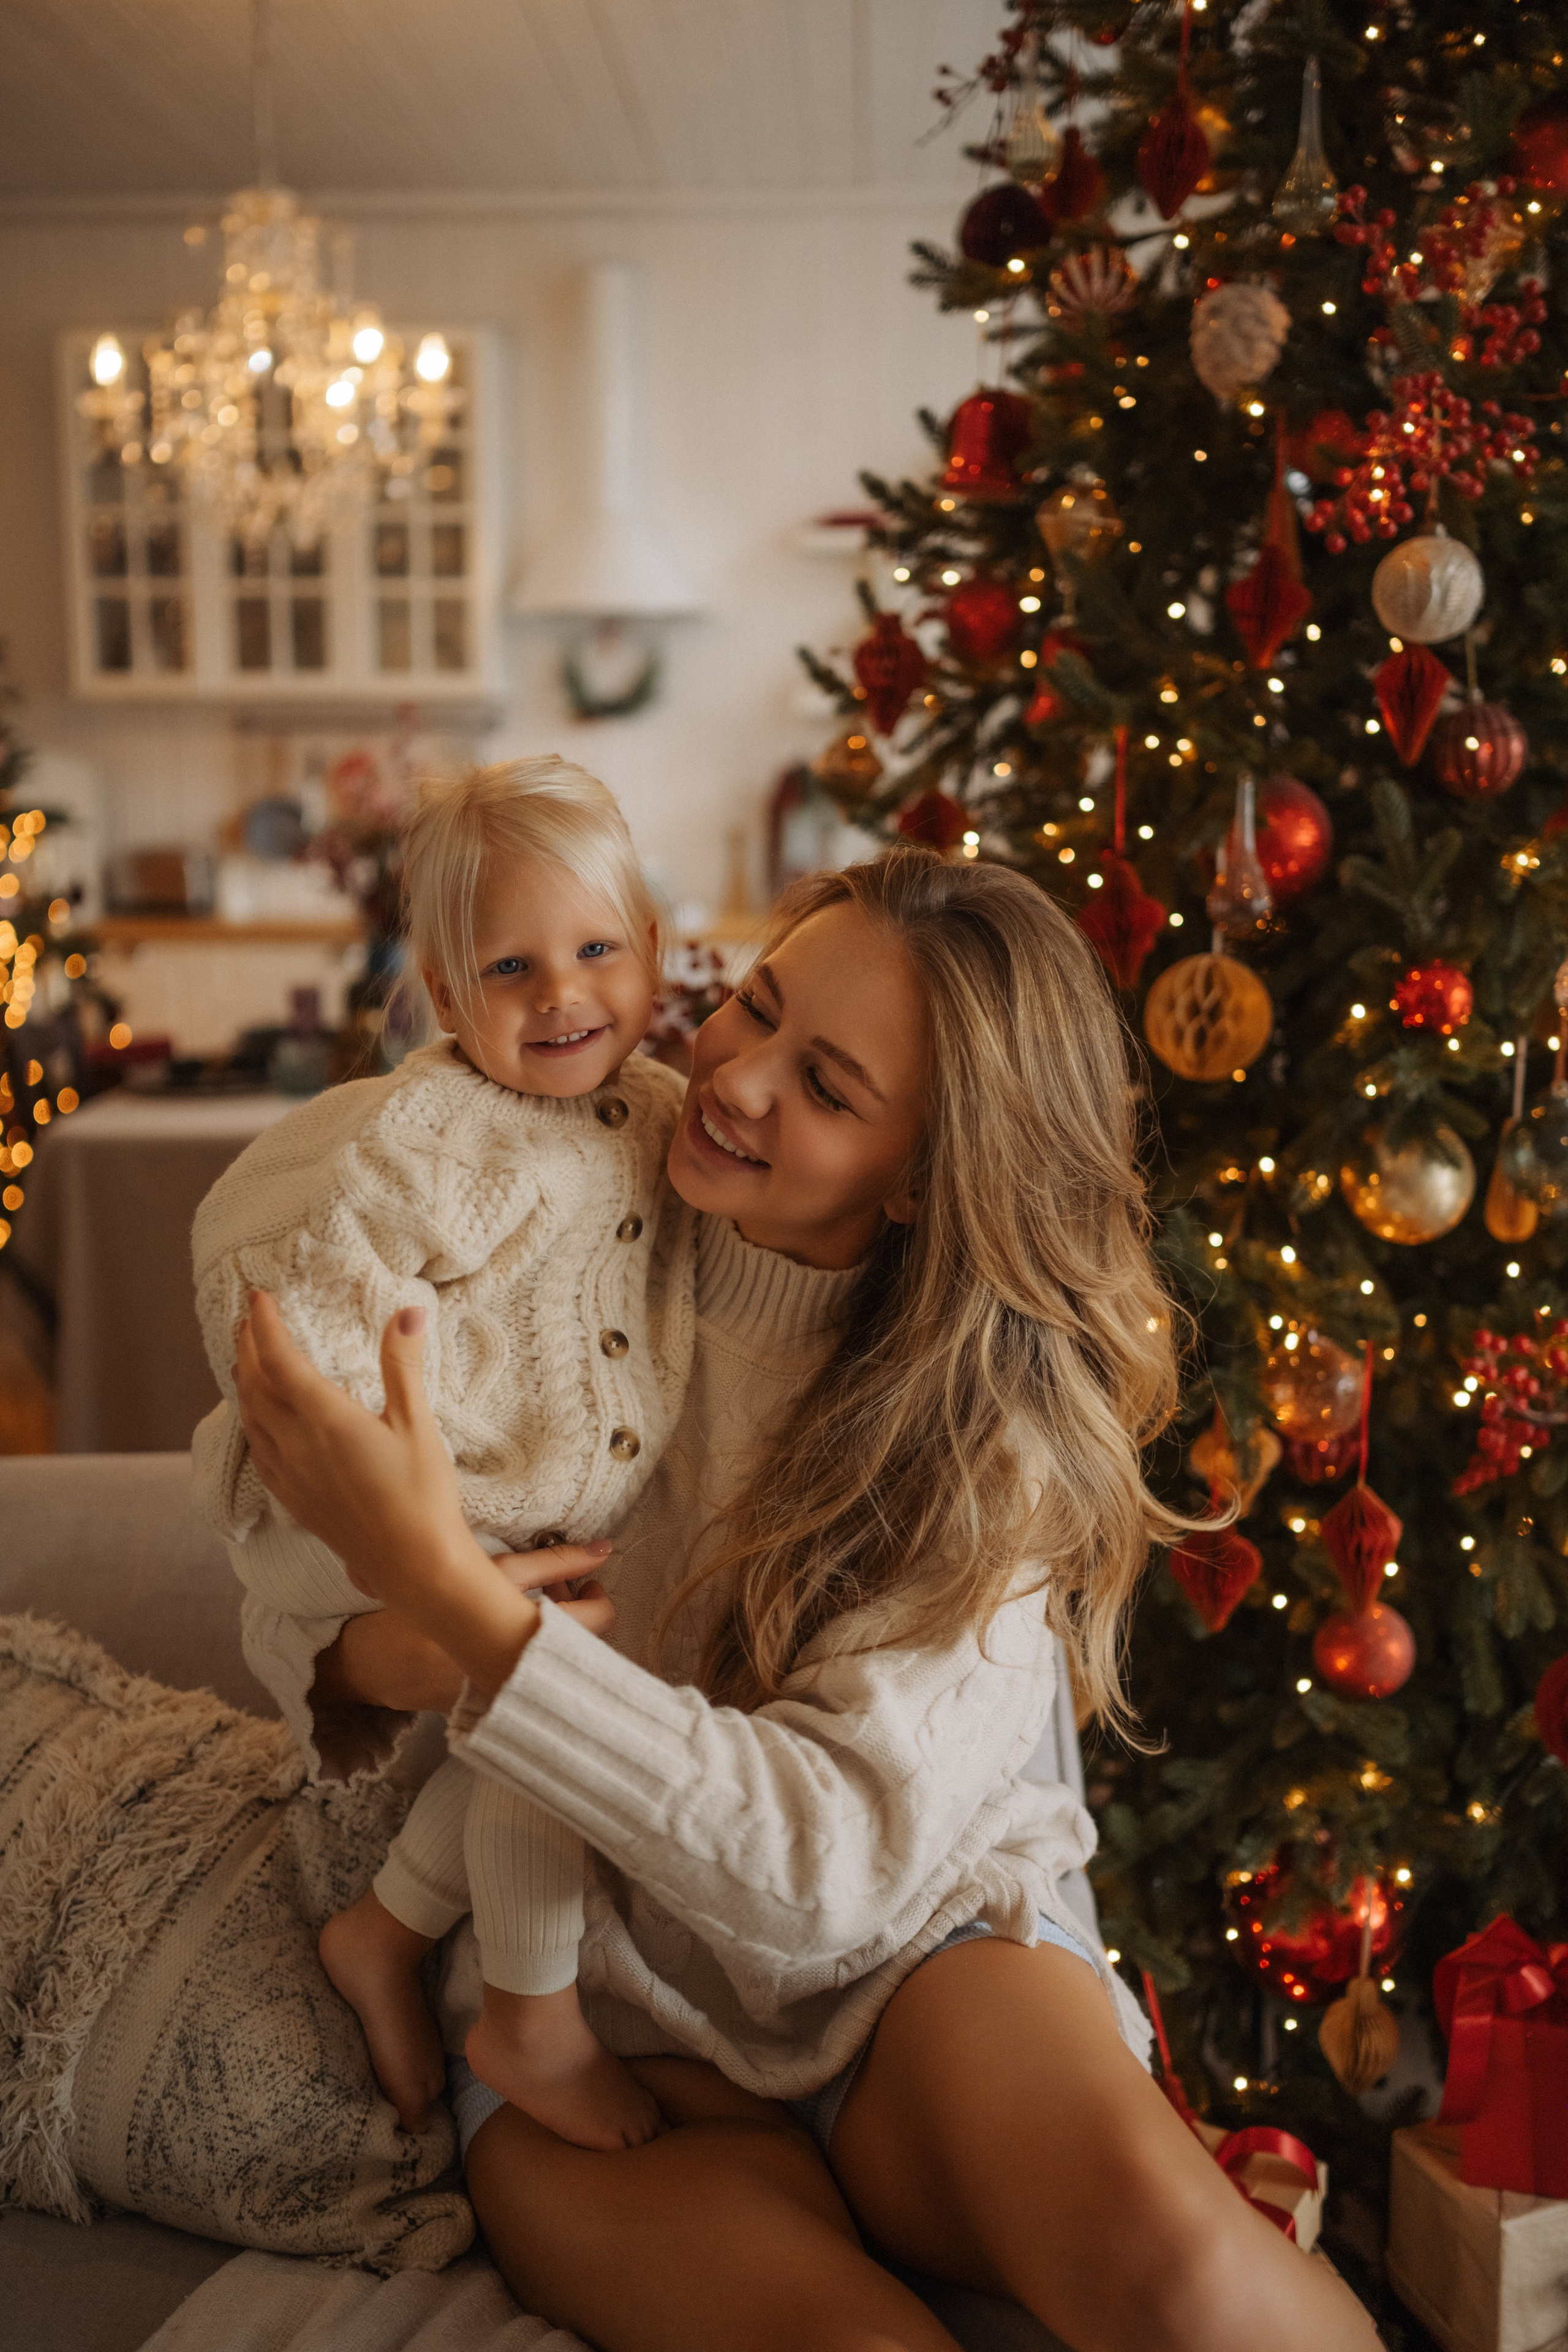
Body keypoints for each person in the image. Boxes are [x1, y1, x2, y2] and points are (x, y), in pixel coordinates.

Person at [233, 849, 1380, 2352]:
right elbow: (295, 1634)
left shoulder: (998, 1433)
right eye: (753, 1009)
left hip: (920, 1970)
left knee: (1205, 2298)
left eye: (826, 1086)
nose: (736, 1080)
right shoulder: (553, 1213)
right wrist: (397, 1633)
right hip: (588, 1999)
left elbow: (830, 1869)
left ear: (925, 1177)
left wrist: (463, 1602)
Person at [192, 755, 696, 2150]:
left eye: (597, 949)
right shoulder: (421, 1141)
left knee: (570, 1701)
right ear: (440, 982)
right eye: (510, 966)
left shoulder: (663, 1115)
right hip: (444, 1503)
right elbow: (323, 1308)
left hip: (574, 1525)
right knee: (549, 1711)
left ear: (652, 950)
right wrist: (377, 1487)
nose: (562, 996)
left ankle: (381, 1930)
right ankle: (532, 2021)